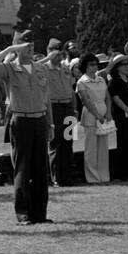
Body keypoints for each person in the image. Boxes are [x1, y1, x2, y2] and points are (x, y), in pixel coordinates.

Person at [0, 30, 53, 225]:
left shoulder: (40, 69)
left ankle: (40, 213)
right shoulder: (9, 68)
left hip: (39, 120)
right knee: (22, 167)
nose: (31, 49)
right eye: (26, 46)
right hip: (20, 120)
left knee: (41, 168)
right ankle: (23, 213)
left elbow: (46, 98)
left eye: (32, 46)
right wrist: (10, 49)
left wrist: (51, 123)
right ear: (17, 47)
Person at [43, 39, 76, 187]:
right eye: (56, 54)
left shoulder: (66, 69)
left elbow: (71, 90)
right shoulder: (43, 69)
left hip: (67, 107)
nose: (59, 57)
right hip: (53, 107)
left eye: (61, 54)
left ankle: (68, 176)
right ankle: (56, 177)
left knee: (68, 141)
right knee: (55, 143)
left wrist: (74, 109)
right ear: (49, 52)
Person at [75, 53, 112, 184]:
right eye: (91, 64)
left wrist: (108, 114)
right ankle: (92, 177)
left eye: (95, 64)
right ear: (85, 66)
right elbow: (85, 101)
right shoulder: (81, 82)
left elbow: (108, 97)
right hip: (91, 115)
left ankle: (104, 176)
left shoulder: (101, 80)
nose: (94, 67)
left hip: (103, 113)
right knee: (91, 148)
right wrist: (97, 115)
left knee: (103, 147)